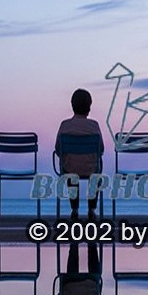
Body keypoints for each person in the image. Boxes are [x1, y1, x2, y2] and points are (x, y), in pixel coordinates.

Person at [55, 88, 104, 219]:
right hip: (91, 168)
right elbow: (101, 150)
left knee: (71, 170)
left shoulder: (64, 125)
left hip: (69, 168)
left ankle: (75, 209)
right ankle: (91, 209)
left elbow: (58, 149)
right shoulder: (94, 126)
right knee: (95, 176)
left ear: (72, 106)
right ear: (89, 106)